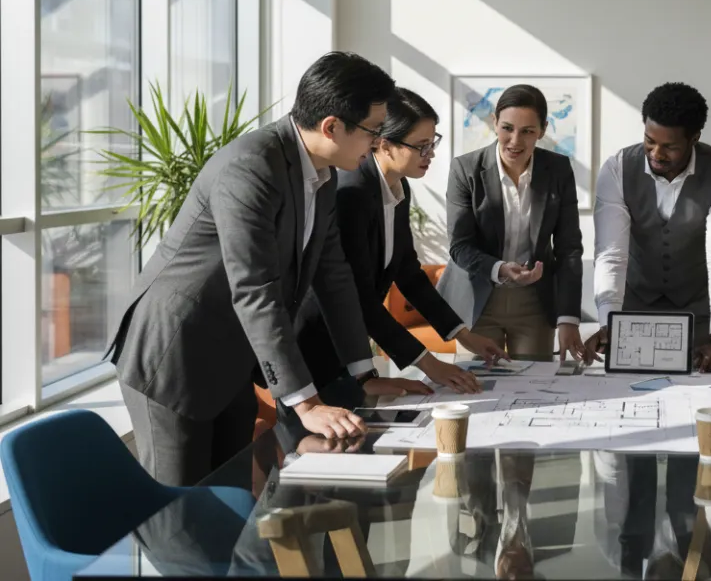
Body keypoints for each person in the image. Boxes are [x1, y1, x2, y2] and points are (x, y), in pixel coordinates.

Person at [108, 52, 399, 487]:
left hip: (232, 358)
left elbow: (334, 276)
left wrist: (363, 373)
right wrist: (306, 404)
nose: (377, 143)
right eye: (373, 130)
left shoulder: (323, 175)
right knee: (181, 510)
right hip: (175, 355)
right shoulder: (252, 165)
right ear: (332, 127)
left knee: (231, 500)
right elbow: (255, 289)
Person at [292, 87, 509, 403]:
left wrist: (463, 335)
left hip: (346, 355)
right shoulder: (351, 193)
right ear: (384, 143)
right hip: (314, 352)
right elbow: (359, 297)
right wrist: (430, 364)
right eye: (421, 146)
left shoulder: (397, 187)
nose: (430, 154)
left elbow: (408, 274)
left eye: (432, 143)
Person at [584, 82, 711, 372]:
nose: (656, 153)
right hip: (633, 310)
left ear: (694, 138)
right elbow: (611, 254)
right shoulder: (617, 169)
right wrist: (609, 322)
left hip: (697, 314)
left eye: (670, 146)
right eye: (649, 140)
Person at [438, 84, 586, 360]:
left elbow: (569, 248)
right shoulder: (465, 169)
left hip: (534, 302)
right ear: (495, 123)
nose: (515, 141)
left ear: (542, 130)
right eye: (507, 128)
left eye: (527, 131)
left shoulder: (558, 170)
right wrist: (501, 269)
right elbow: (460, 246)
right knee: (477, 382)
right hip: (476, 296)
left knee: (537, 382)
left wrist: (568, 318)